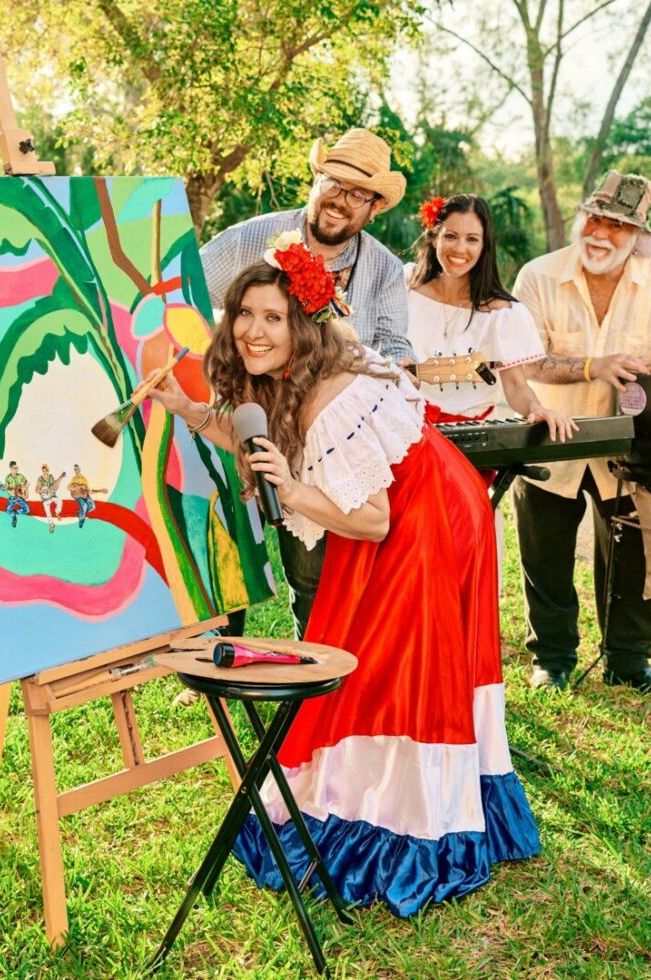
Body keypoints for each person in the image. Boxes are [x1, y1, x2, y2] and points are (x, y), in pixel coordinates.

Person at [150, 237, 540, 915]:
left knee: (398, 665)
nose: (252, 330)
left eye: (272, 317)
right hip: (405, 505)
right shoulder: (287, 376)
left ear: (301, 326)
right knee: (367, 654)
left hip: (425, 517)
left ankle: (406, 816)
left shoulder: (333, 397)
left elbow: (371, 521)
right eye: (244, 314)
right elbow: (256, 438)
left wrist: (290, 489)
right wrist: (187, 410)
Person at [512, 171, 651, 695]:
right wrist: (593, 366)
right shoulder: (538, 275)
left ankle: (628, 660)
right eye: (596, 219)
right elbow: (523, 361)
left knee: (631, 558)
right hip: (548, 438)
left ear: (639, 237)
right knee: (545, 556)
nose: (601, 234)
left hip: (629, 448)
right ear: (582, 218)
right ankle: (552, 659)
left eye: (619, 226)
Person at [201, 128, 412, 639]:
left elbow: (396, 349)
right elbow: (184, 291)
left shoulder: (384, 268)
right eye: (334, 183)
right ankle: (219, 657)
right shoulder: (251, 238)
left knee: (310, 571)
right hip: (246, 416)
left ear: (375, 207)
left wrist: (357, 386)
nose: (341, 200)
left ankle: (314, 664)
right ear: (315, 179)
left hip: (324, 437)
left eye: (358, 194)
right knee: (226, 551)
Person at [407, 193, 576, 435]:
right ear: (434, 238)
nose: (460, 248)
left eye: (472, 239)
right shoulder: (405, 286)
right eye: (451, 236)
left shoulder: (503, 314)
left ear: (485, 246)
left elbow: (516, 386)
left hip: (465, 437)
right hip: (400, 429)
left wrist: (536, 408)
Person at [35, 464, 65, 533]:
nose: (44, 472)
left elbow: (55, 485)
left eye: (46, 470)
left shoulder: (51, 477)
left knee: (59, 501)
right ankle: (51, 524)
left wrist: (60, 477)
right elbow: (36, 490)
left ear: (48, 470)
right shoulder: (40, 479)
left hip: (52, 496)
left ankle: (57, 512)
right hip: (45, 499)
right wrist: (42, 490)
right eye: (43, 470)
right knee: (47, 511)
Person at [0, 462, 29, 528]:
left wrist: (23, 490)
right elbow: (8, 490)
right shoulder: (8, 478)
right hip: (12, 498)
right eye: (15, 468)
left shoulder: (20, 476)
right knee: (8, 511)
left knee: (27, 510)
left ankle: (15, 512)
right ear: (11, 469)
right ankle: (14, 516)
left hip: (20, 497)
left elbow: (27, 483)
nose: (16, 469)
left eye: (17, 468)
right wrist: (8, 489)